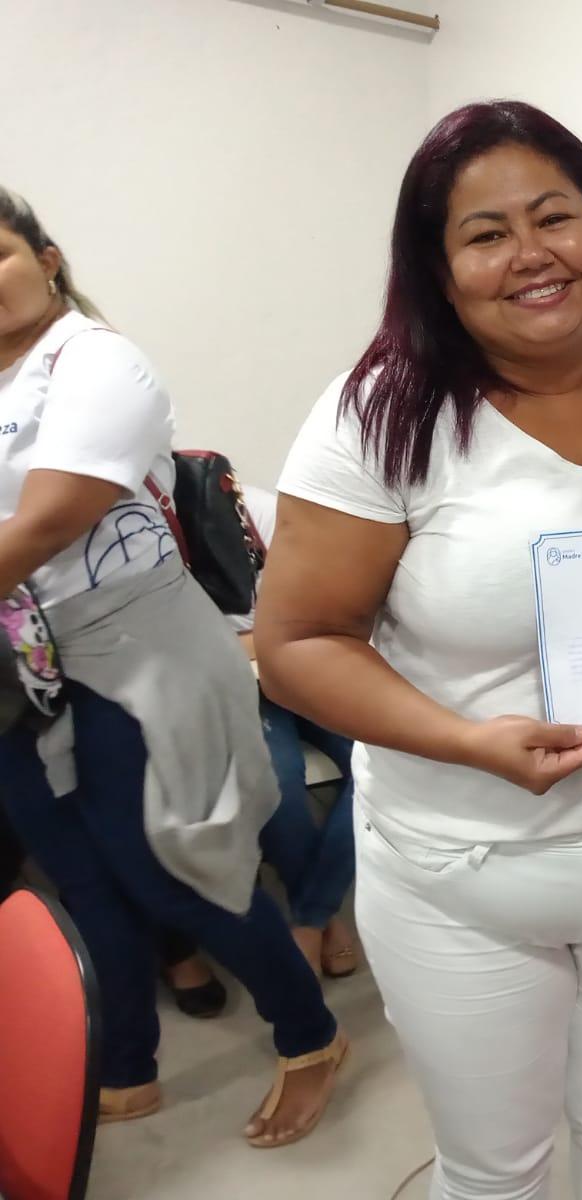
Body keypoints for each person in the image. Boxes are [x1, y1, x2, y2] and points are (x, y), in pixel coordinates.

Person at [255, 100, 582, 1200]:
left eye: (556, 217)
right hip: (465, 875)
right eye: (486, 234)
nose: (531, 255)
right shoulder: (376, 418)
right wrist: (468, 740)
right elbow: (296, 643)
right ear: (439, 271)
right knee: (497, 1172)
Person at [0, 187, 348, 1146]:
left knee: (174, 875)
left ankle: (309, 1035)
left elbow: (49, 521)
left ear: (49, 257)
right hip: (19, 674)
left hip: (134, 657)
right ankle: (126, 1062)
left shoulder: (97, 361)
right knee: (79, 882)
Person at [233, 482, 361, 979]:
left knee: (374, 763)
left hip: (300, 664)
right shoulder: (143, 537)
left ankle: (309, 917)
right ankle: (325, 920)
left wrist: (263, 636)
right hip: (235, 683)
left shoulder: (253, 508)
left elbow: (314, 608)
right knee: (276, 780)